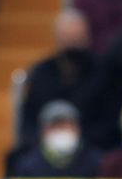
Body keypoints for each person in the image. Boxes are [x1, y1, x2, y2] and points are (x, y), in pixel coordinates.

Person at [17, 9, 110, 150]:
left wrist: (79, 140)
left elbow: (108, 121)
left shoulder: (101, 72)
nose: (72, 43)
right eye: (67, 37)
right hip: (44, 147)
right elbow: (29, 118)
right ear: (56, 38)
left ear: (87, 38)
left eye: (77, 38)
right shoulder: (41, 73)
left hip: (90, 148)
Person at [9, 101, 104, 179]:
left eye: (66, 126)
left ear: (78, 129)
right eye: (55, 127)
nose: (61, 131)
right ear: (43, 131)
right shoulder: (27, 164)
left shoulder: (96, 162)